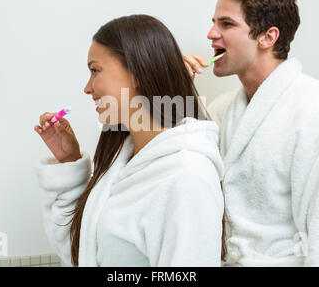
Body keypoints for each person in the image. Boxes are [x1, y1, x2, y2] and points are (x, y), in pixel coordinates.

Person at [184, 0, 319, 266]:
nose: (211, 33)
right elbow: (175, 178)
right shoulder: (221, 112)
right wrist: (170, 88)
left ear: (267, 37)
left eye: (226, 24)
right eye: (214, 22)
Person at [34, 14, 226, 267]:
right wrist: (68, 160)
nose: (87, 88)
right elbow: (83, 253)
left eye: (95, 70)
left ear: (137, 72)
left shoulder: (187, 178)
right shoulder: (122, 161)